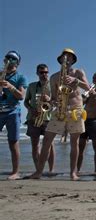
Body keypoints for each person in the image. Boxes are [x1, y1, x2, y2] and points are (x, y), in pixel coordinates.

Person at [29, 48, 89, 180]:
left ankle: (73, 173)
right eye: (64, 56)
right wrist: (49, 100)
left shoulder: (78, 72)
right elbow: (55, 98)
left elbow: (88, 88)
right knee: (46, 141)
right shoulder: (54, 77)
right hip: (60, 110)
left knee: (75, 142)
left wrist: (76, 81)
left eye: (69, 57)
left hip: (76, 110)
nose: (66, 58)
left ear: (73, 60)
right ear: (60, 59)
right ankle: (39, 172)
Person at [0, 51, 27, 180]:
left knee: (13, 142)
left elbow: (21, 96)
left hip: (12, 112)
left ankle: (15, 172)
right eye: (8, 58)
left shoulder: (21, 77)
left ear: (18, 62)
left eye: (13, 59)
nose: (10, 60)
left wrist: (10, 86)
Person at [24, 64, 54, 174]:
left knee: (49, 145)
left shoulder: (53, 86)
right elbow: (26, 101)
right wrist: (30, 109)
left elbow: (58, 102)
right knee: (35, 145)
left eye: (46, 72)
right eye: (41, 72)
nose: (44, 74)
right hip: (33, 118)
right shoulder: (32, 86)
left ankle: (51, 170)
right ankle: (38, 170)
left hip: (48, 118)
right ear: (37, 73)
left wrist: (49, 99)